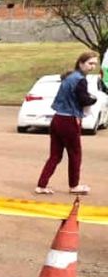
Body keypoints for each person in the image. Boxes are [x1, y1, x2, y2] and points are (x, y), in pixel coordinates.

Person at [35, 51, 99, 196]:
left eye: (95, 64)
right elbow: (84, 100)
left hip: (57, 119)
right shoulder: (80, 80)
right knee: (75, 154)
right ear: (81, 63)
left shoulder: (69, 77)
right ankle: (74, 185)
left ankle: (41, 185)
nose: (92, 67)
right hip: (69, 120)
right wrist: (94, 99)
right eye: (90, 63)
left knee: (55, 156)